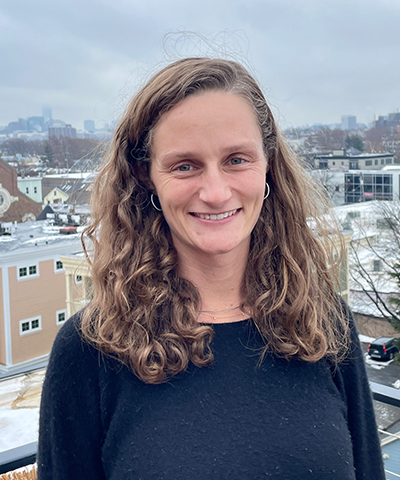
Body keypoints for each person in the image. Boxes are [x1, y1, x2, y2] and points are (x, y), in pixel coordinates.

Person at [37, 58, 385, 480]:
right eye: (185, 165)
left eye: (237, 159)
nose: (217, 192)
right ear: (145, 176)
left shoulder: (323, 324)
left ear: (268, 163)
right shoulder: (90, 352)